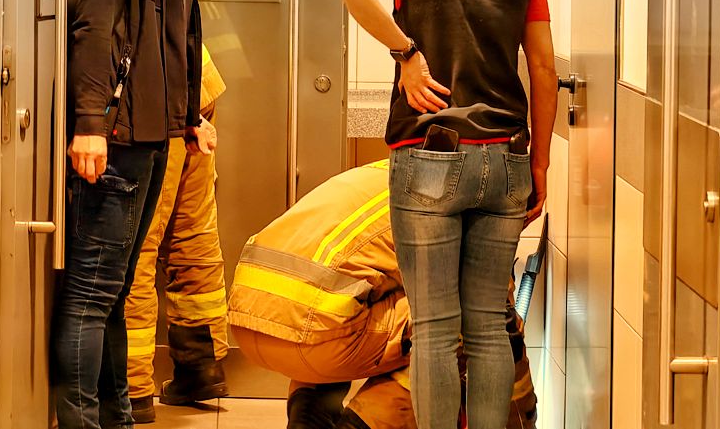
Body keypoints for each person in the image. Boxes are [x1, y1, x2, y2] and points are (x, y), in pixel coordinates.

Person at [337, 0, 558, 429]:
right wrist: (539, 165)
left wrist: (406, 54)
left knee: (435, 329)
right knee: (488, 326)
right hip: (507, 159)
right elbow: (543, 67)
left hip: (430, 156)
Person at [52, 0, 215, 429]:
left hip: (150, 134)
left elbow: (168, 32)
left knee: (115, 290)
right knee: (93, 293)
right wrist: (90, 124)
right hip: (115, 138)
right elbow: (95, 27)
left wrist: (187, 118)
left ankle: (116, 418)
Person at [227, 161, 538, 429]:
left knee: (352, 300)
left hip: (251, 314)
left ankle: (309, 420)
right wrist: (522, 418)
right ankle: (363, 424)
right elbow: (496, 321)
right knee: (461, 324)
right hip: (318, 327)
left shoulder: (406, 170)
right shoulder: (478, 207)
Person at [124, 44, 230, 424]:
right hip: (195, 80)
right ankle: (201, 365)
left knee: (138, 241)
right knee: (192, 229)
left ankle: (132, 388)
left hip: (156, 96)